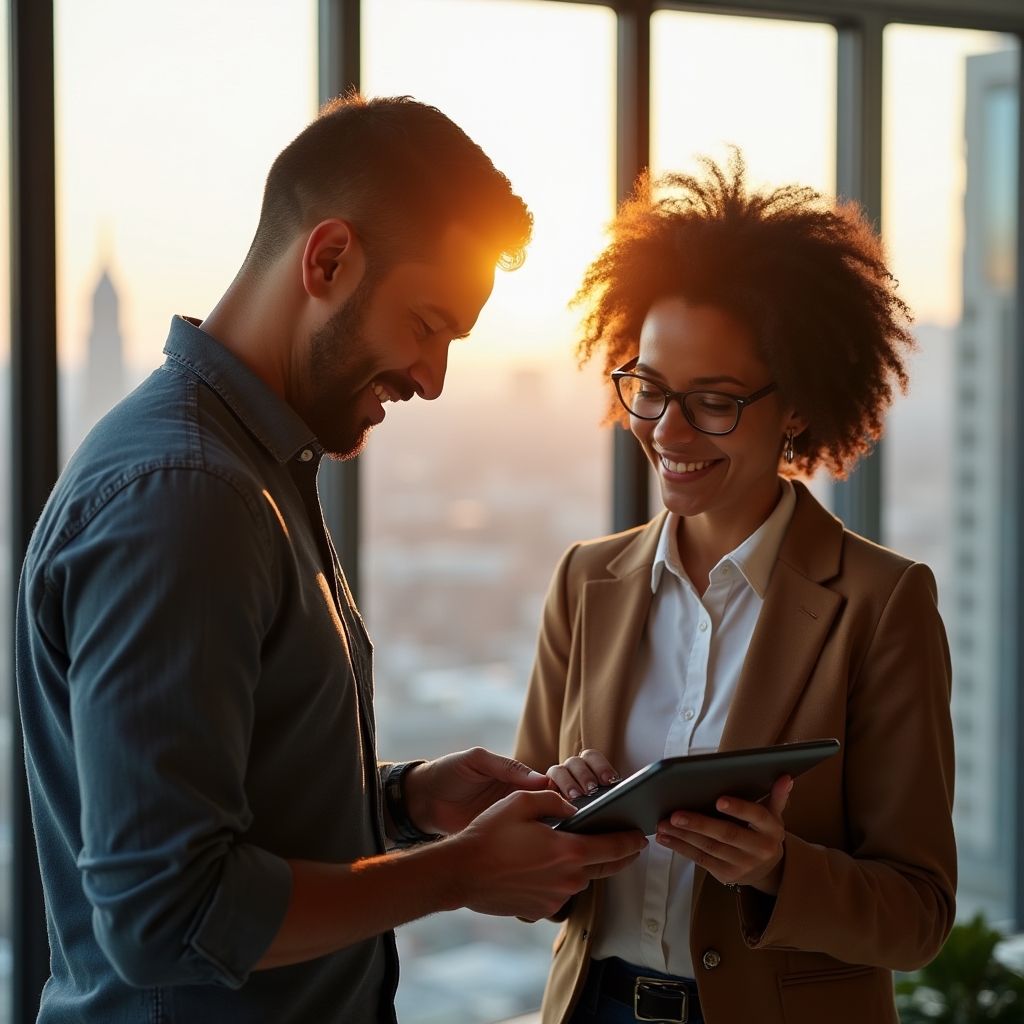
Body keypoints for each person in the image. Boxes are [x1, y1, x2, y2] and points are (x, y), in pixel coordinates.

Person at [16, 94, 647, 1024]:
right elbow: (167, 916)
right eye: (426, 325)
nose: (432, 378)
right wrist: (460, 872)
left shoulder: (246, 470)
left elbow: (227, 802)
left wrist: (400, 800)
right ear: (329, 260)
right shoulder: (189, 496)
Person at [514, 155, 957, 1024]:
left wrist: (779, 870)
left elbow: (919, 918)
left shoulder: (881, 604)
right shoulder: (585, 580)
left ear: (797, 406)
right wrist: (555, 820)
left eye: (714, 401)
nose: (668, 432)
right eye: (649, 390)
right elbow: (521, 873)